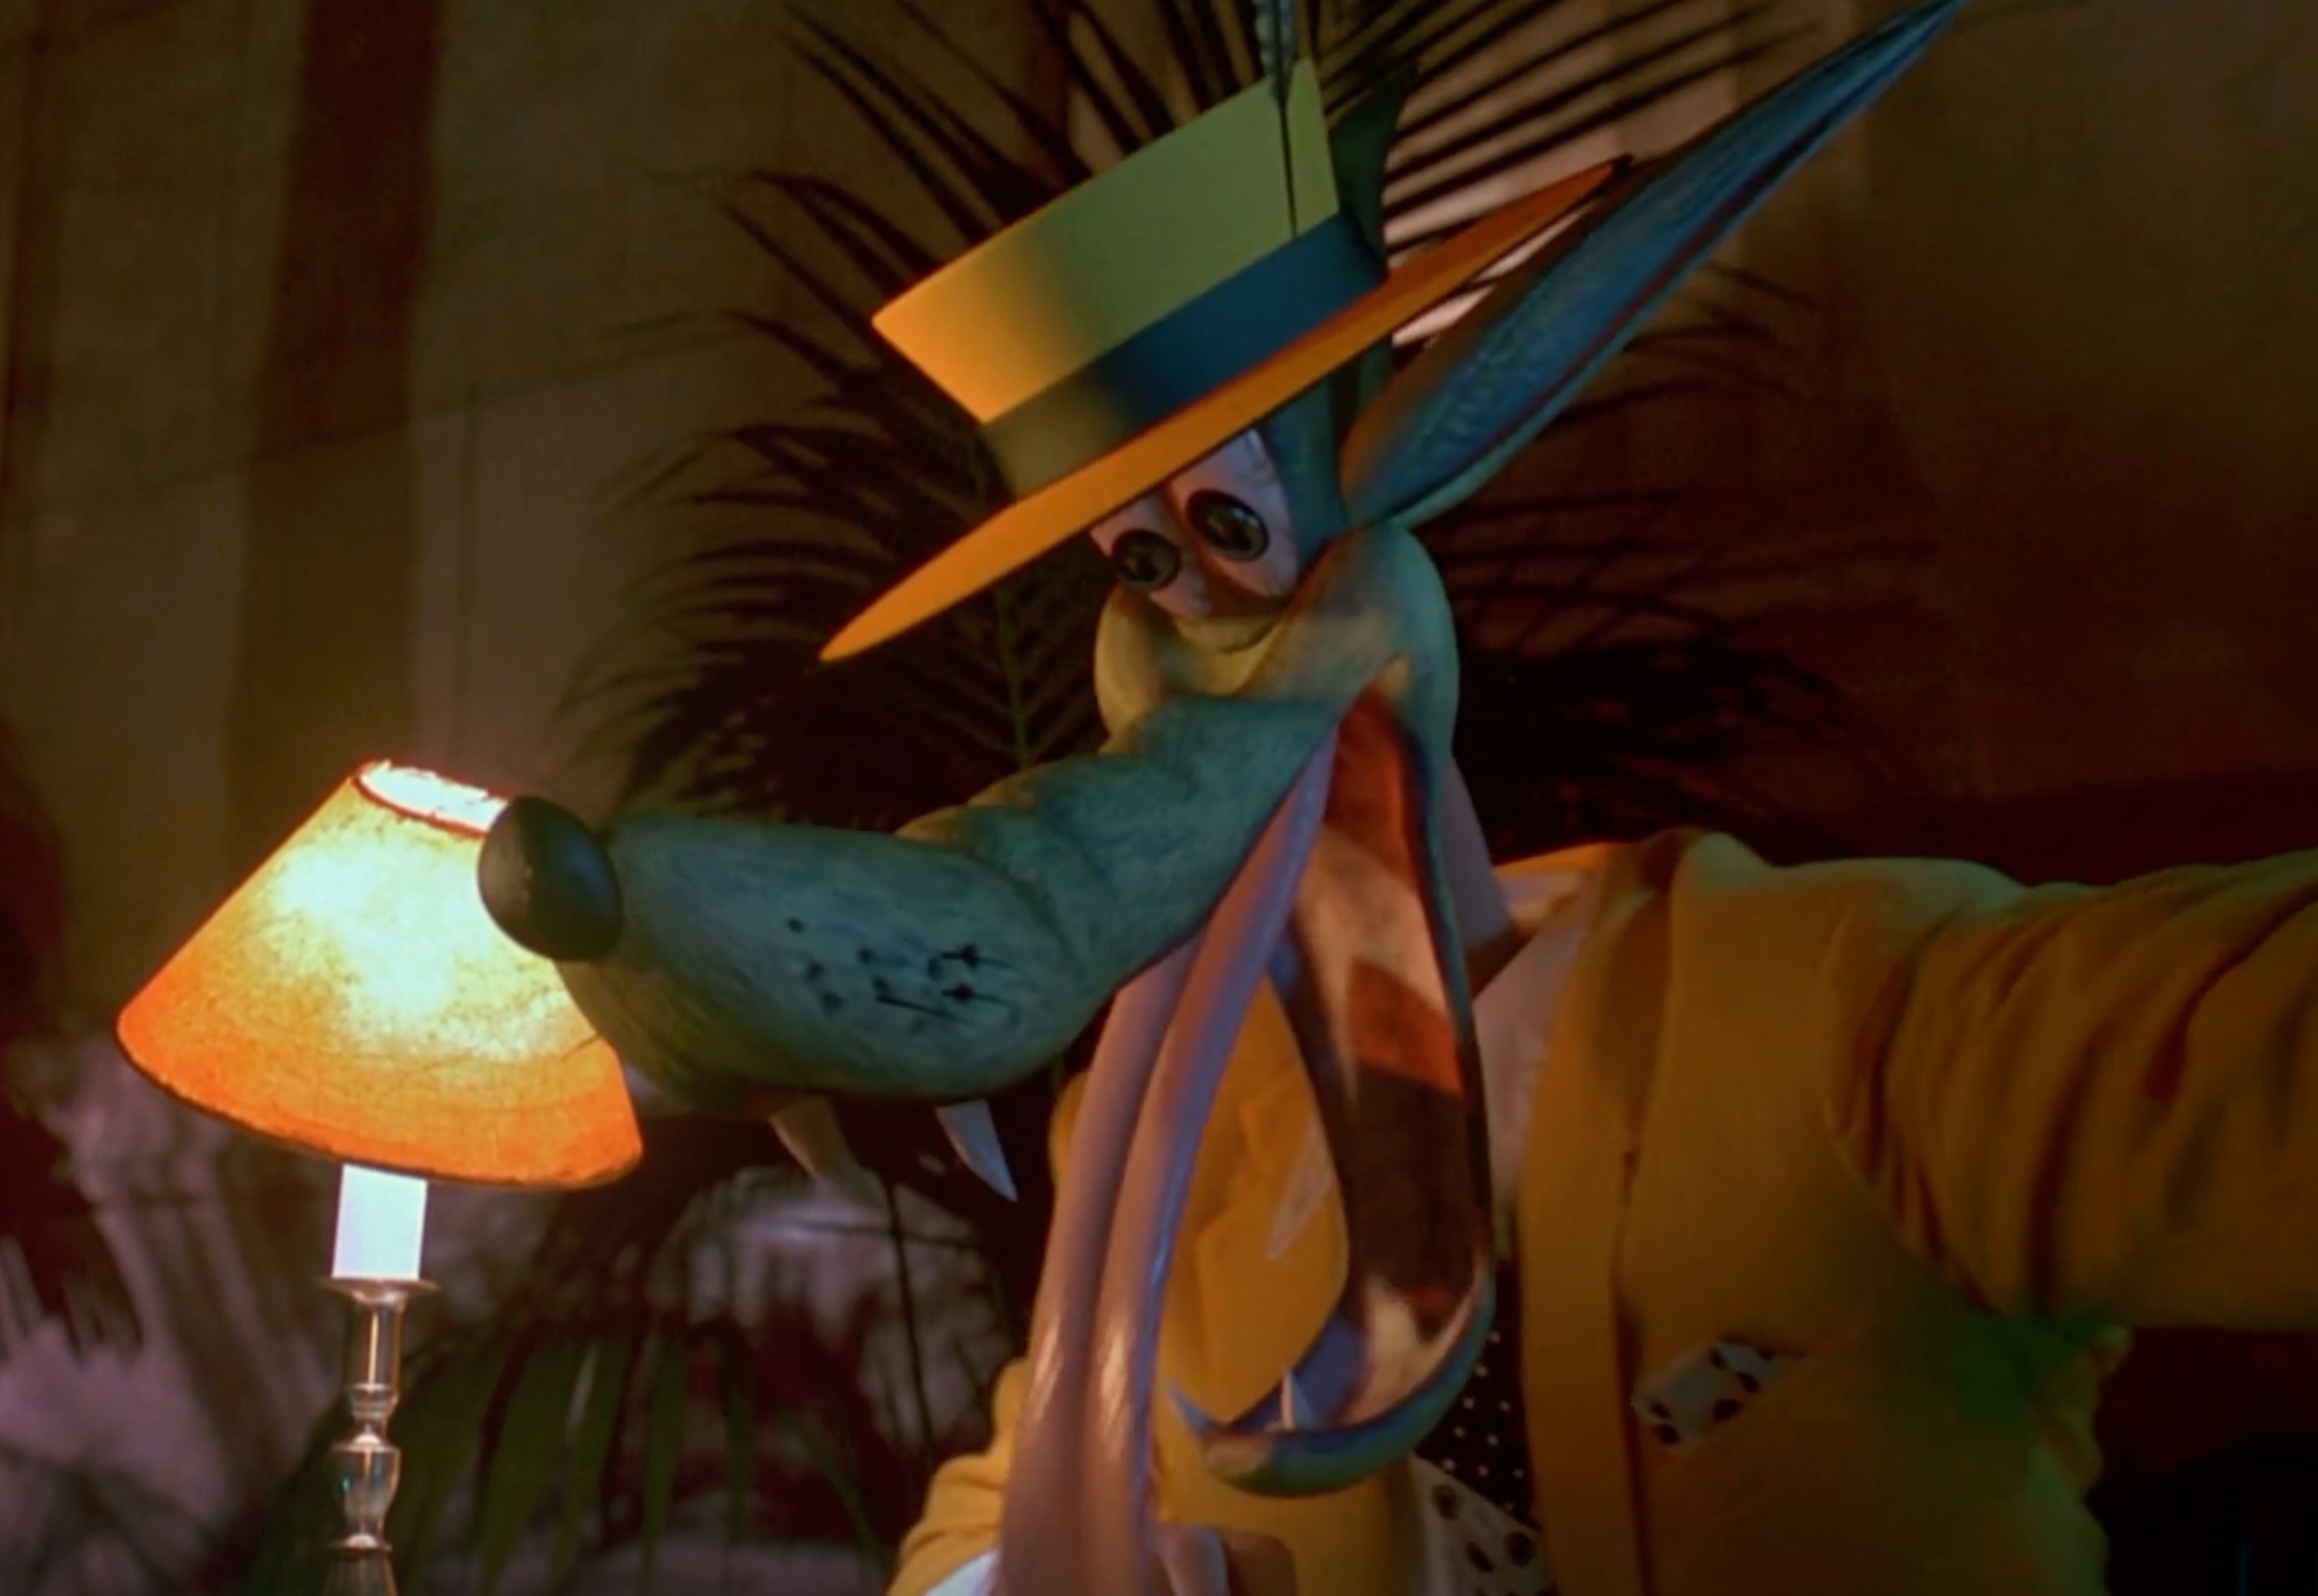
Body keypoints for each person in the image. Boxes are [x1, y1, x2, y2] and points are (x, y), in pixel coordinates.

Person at [476, 2, 2312, 1590]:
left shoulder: (1832, 1006)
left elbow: (2236, 1066)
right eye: (1144, 565)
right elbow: (1014, 1498)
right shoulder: (1181, 1152)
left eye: (1229, 525)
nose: (1197, 642)